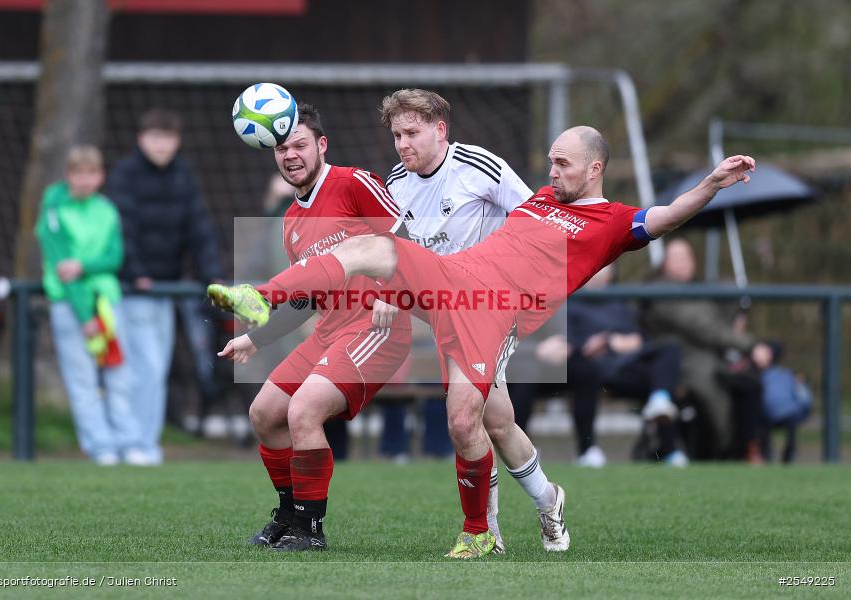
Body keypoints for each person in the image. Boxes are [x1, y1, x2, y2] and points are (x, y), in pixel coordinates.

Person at [213, 126, 755, 558]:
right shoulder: (542, 197)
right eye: (550, 159)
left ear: (595, 168)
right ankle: (261, 296)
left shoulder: (612, 222)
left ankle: (510, 516)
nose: (551, 170)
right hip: (454, 280)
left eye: (563, 162)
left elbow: (664, 217)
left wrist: (709, 184)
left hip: (489, 315)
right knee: (372, 249)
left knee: (471, 421)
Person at [212, 104, 412, 552]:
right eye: (282, 148)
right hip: (329, 330)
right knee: (264, 414)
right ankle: (288, 515)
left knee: (303, 410)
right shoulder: (291, 222)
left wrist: (391, 293)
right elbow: (306, 298)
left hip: (374, 329)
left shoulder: (352, 183)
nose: (291, 155)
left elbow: (409, 240)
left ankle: (310, 529)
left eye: (300, 145)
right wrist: (253, 336)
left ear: (321, 145)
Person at [375, 88, 560, 554]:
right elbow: (396, 254)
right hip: (445, 317)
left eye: (412, 133)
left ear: (441, 130)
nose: (402, 144)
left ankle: (485, 532)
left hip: (491, 311)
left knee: (461, 419)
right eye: (397, 134)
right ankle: (548, 498)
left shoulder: (479, 166)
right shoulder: (396, 182)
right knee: (495, 422)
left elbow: (534, 220)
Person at [106, 108, 225, 465]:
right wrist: (135, 272)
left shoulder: (182, 177)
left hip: (163, 293)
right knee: (124, 368)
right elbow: (122, 228)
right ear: (142, 139)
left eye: (168, 137)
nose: (162, 145)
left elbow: (198, 229)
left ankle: (144, 443)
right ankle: (122, 441)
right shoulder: (125, 175)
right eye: (156, 137)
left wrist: (211, 273)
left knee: (154, 369)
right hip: (126, 293)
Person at [513, 265, 687, 467]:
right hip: (598, 366)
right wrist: (591, 344)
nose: (599, 270)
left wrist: (627, 341)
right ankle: (528, 451)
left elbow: (638, 337)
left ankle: (665, 428)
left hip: (629, 362)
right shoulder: (568, 300)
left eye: (605, 266)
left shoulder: (620, 302)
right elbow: (568, 342)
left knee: (668, 360)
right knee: (566, 370)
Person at [35, 146, 143, 466]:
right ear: (69, 175)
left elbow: (114, 258)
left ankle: (128, 442)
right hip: (71, 307)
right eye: (78, 173)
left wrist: (83, 265)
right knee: (82, 378)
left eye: (90, 173)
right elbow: (61, 268)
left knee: (118, 371)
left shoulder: (107, 210)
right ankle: (100, 446)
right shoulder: (54, 209)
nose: (84, 180)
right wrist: (84, 315)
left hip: (107, 301)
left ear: (100, 176)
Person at [641, 239, 770, 461]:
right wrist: (747, 343)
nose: (683, 263)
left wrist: (737, 310)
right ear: (665, 263)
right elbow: (701, 326)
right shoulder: (661, 291)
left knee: (752, 380)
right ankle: (726, 452)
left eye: (687, 257)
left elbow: (714, 320)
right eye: (676, 258)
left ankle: (751, 448)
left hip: (716, 354)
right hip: (684, 362)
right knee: (714, 384)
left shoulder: (698, 289)